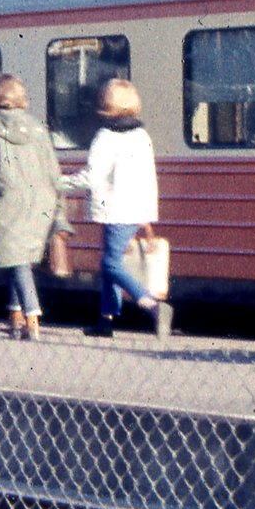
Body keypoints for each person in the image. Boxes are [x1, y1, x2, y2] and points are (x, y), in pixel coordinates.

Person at [0, 73, 63, 341]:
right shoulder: (39, 128)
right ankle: (16, 317)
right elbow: (54, 172)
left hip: (8, 204)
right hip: (41, 203)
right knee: (23, 259)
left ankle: (32, 320)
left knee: (17, 262)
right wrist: (59, 211)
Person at [63, 79, 166, 339]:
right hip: (135, 209)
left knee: (110, 263)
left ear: (107, 104)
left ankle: (151, 305)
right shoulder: (141, 135)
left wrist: (59, 182)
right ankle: (105, 320)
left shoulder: (105, 136)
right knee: (112, 259)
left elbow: (91, 177)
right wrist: (145, 217)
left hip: (115, 210)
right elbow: (146, 177)